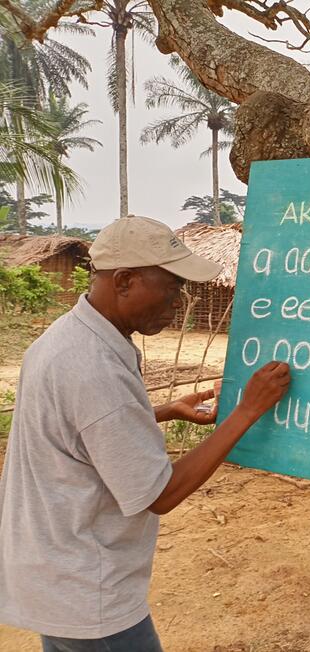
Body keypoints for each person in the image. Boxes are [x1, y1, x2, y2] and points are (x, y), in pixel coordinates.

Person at [0, 216, 290, 651]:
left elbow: (78, 431)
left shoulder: (68, 338)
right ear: (125, 281)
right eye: (172, 286)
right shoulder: (94, 369)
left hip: (54, 570)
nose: (180, 300)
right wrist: (247, 411)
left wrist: (159, 411)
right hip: (88, 591)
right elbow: (161, 494)